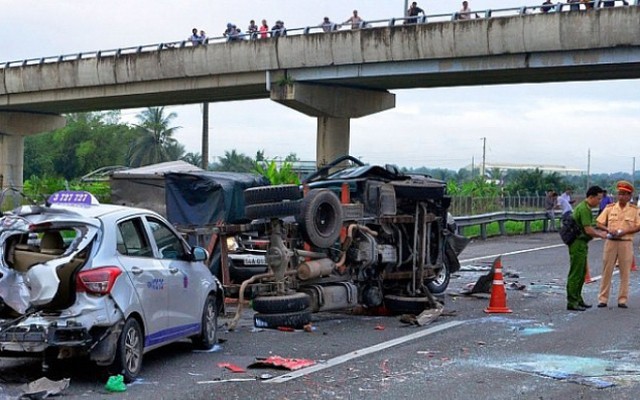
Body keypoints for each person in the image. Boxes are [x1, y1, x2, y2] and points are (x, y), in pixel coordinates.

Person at [596, 181, 640, 309]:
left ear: (629, 196)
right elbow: (599, 223)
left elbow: (638, 225)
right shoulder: (610, 208)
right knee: (607, 271)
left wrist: (625, 231)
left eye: (624, 194)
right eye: (619, 194)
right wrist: (608, 229)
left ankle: (622, 299)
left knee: (625, 272)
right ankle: (603, 299)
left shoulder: (634, 210)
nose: (621, 197)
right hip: (611, 242)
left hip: (625, 242)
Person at [566, 186, 607, 311]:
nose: (599, 202)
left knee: (582, 272)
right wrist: (601, 235)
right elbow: (588, 229)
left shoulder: (585, 207)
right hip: (578, 243)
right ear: (592, 197)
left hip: (581, 243)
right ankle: (572, 301)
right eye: (598, 199)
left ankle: (578, 299)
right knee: (576, 273)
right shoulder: (584, 209)